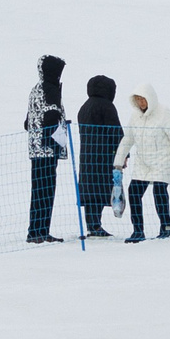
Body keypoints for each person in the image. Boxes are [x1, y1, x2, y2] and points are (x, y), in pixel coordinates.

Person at [113, 83, 170, 240]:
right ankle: (138, 231)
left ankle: (165, 227)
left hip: (162, 160)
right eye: (137, 100)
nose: (141, 103)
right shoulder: (135, 116)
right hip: (143, 162)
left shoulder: (164, 113)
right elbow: (127, 139)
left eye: (143, 99)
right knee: (134, 192)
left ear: (150, 98)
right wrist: (118, 161)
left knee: (159, 192)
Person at [74, 75, 123, 239]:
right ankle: (95, 225)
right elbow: (115, 131)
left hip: (87, 156)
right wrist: (123, 154)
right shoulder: (107, 106)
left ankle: (92, 224)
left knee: (90, 191)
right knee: (99, 189)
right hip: (103, 156)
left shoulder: (84, 107)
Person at [25, 54, 67, 243]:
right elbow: (51, 116)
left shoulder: (36, 89)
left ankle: (35, 231)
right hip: (48, 148)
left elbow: (28, 122)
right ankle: (41, 231)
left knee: (38, 190)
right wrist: (59, 137)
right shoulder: (51, 89)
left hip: (36, 149)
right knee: (47, 190)